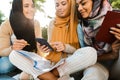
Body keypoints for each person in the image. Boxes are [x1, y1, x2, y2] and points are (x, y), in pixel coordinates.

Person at [9, 0, 97, 80]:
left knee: (91, 52)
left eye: (63, 4)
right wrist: (46, 48)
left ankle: (46, 75)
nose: (60, 8)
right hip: (50, 63)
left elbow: (80, 51)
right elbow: (49, 48)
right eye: (57, 5)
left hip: (68, 63)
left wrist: (65, 47)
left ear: (70, 4)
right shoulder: (52, 23)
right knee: (13, 54)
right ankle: (52, 77)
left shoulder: (79, 24)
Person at [76, 0, 120, 79]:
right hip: (97, 65)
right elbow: (86, 58)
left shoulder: (116, 17)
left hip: (117, 64)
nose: (79, 8)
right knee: (93, 74)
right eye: (77, 5)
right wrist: (111, 55)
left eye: (83, 3)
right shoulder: (81, 27)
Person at [0, 0, 41, 79]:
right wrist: (12, 48)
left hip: (31, 57)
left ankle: (24, 72)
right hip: (12, 56)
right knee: (3, 67)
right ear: (18, 7)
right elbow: (1, 51)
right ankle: (24, 71)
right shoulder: (6, 25)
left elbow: (39, 50)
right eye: (26, 6)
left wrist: (42, 49)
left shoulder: (35, 23)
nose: (31, 9)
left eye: (32, 6)